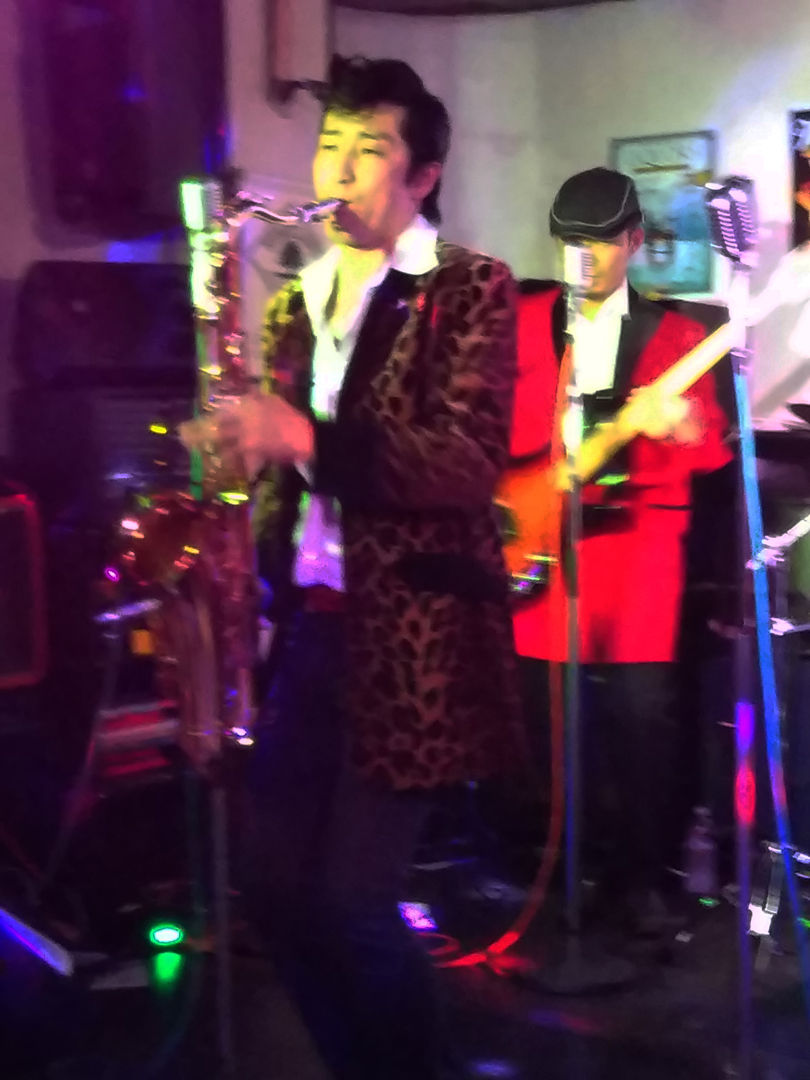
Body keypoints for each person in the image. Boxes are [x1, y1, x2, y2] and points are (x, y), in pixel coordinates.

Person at [184, 55, 526, 1080]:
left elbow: (465, 462)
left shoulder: (469, 287)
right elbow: (293, 476)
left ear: (422, 176)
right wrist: (239, 465)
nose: (336, 168)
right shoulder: (294, 302)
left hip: (413, 646)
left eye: (368, 149)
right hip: (312, 632)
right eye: (329, 143)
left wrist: (301, 435)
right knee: (273, 890)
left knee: (353, 901)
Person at [506, 166, 732, 934]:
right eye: (570, 242)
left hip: (639, 549)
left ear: (633, 242)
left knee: (642, 720)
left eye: (600, 243)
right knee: (547, 722)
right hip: (541, 539)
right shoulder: (521, 319)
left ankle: (642, 880)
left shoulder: (680, 335)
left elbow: (712, 450)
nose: (583, 258)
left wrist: (683, 426)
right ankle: (564, 873)